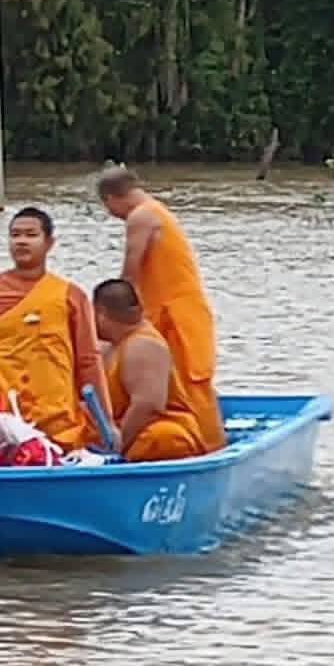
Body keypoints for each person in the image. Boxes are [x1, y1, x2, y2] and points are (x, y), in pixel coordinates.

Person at [0, 206, 111, 452]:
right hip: (3, 414)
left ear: (49, 243)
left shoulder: (71, 295)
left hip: (57, 415)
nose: (21, 241)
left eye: (30, 235)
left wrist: (104, 420)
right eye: (15, 235)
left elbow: (88, 360)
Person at [96, 163, 226, 453]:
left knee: (188, 383)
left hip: (175, 311)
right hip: (174, 308)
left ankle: (208, 447)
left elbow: (130, 272)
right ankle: (209, 442)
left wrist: (110, 309)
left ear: (111, 198)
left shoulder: (140, 217)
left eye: (107, 207)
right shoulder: (157, 211)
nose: (111, 214)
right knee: (182, 383)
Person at [92, 278, 207, 462]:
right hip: (117, 430)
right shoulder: (111, 345)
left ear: (101, 314)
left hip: (154, 434)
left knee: (163, 437)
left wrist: (116, 449)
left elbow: (148, 406)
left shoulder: (143, 345)